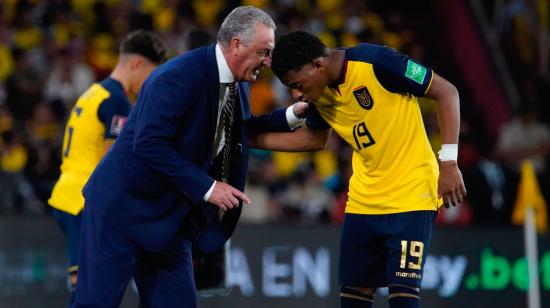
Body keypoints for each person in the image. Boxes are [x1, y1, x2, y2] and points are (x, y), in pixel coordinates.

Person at [73, 6, 304, 308]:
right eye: (264, 52)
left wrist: (290, 116)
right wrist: (208, 188)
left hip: (170, 222)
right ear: (236, 44)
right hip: (122, 212)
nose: (269, 61)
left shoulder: (238, 84)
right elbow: (148, 143)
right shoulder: (178, 76)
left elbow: (239, 129)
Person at [264, 31, 467, 308]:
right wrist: (254, 139)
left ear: (318, 66)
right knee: (353, 298)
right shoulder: (319, 92)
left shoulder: (377, 62)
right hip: (363, 201)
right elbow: (315, 138)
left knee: (403, 297)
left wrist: (449, 162)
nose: (296, 94)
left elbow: (446, 92)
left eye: (297, 85)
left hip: (412, 196)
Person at [48, 30, 167, 305]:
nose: (152, 82)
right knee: (88, 291)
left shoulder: (93, 92)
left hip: (66, 194)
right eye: (152, 73)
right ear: (137, 64)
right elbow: (115, 159)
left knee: (85, 287)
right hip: (83, 201)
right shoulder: (117, 100)